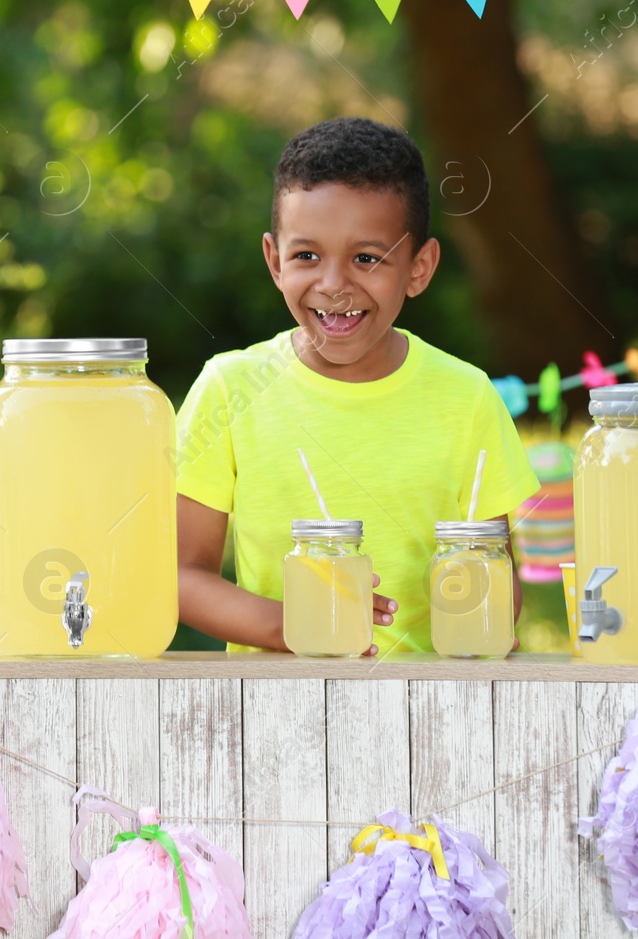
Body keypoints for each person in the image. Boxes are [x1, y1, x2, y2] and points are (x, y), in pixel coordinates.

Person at [175, 116, 539, 654]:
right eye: (307, 256)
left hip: (429, 709)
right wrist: (297, 624)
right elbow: (179, 575)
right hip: (273, 715)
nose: (333, 285)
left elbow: (498, 587)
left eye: (366, 258)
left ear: (419, 268)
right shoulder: (230, 388)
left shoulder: (468, 398)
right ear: (275, 261)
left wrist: (478, 599)